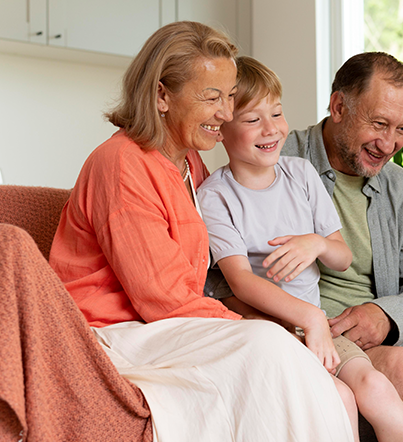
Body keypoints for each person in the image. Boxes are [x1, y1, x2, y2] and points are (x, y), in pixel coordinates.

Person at [47, 21, 353, 441]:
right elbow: (164, 299)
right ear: (161, 96)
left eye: (229, 97)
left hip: (166, 328)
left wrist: (263, 319)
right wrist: (252, 324)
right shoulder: (121, 164)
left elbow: (204, 282)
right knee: (267, 346)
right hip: (113, 334)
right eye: (212, 97)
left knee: (281, 353)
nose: (226, 114)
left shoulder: (190, 164)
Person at [214, 51, 403, 436]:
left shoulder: (400, 187)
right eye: (379, 124)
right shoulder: (275, 157)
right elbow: (220, 279)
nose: (389, 143)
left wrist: (385, 314)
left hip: (390, 327)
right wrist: (297, 323)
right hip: (324, 331)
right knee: (401, 365)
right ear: (339, 106)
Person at [197, 56, 403, 442]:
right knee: (337, 399)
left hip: (318, 326)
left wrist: (317, 243)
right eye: (253, 120)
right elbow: (239, 283)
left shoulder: (300, 173)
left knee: (376, 387)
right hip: (276, 330)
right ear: (221, 128)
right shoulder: (215, 196)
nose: (270, 129)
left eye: (277, 114)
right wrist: (310, 319)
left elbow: (342, 256)